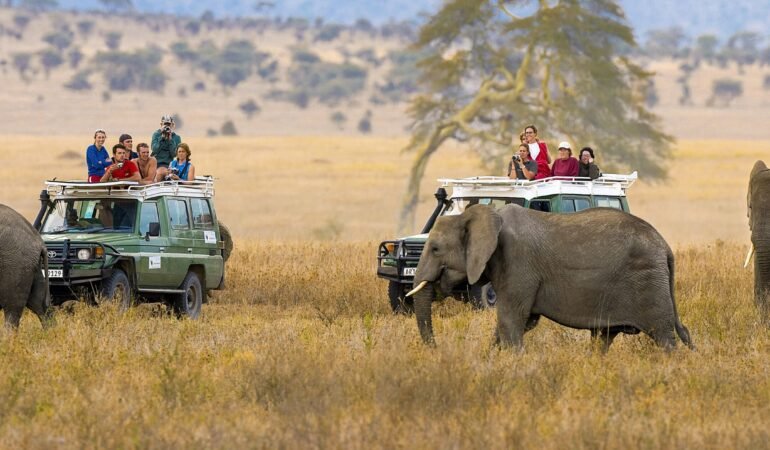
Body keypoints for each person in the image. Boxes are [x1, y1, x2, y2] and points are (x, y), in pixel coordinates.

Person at [151, 114, 182, 181]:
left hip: (168, 163)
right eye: (165, 124)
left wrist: (170, 139)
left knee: (162, 173)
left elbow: (174, 154)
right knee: (159, 173)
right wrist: (161, 137)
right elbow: (155, 150)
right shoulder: (156, 134)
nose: (167, 126)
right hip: (155, 162)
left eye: (169, 124)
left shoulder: (176, 138)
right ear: (161, 124)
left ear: (172, 125)